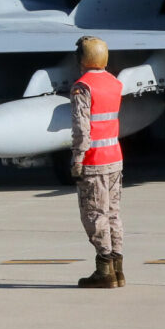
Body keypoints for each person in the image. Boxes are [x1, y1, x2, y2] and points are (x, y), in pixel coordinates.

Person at [70, 36, 125, 288]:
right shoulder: (115, 83)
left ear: (83, 58)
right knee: (113, 214)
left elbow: (82, 129)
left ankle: (104, 271)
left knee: (94, 214)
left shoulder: (82, 87)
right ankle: (118, 270)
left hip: (93, 162)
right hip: (115, 159)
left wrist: (77, 160)